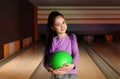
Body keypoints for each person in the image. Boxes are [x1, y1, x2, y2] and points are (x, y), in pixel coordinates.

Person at [43, 11, 80, 79]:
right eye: (58, 25)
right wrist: (52, 71)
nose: (62, 26)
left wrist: (73, 65)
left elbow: (76, 53)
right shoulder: (53, 41)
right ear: (52, 27)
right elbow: (47, 60)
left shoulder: (72, 37)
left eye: (63, 22)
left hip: (72, 71)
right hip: (59, 73)